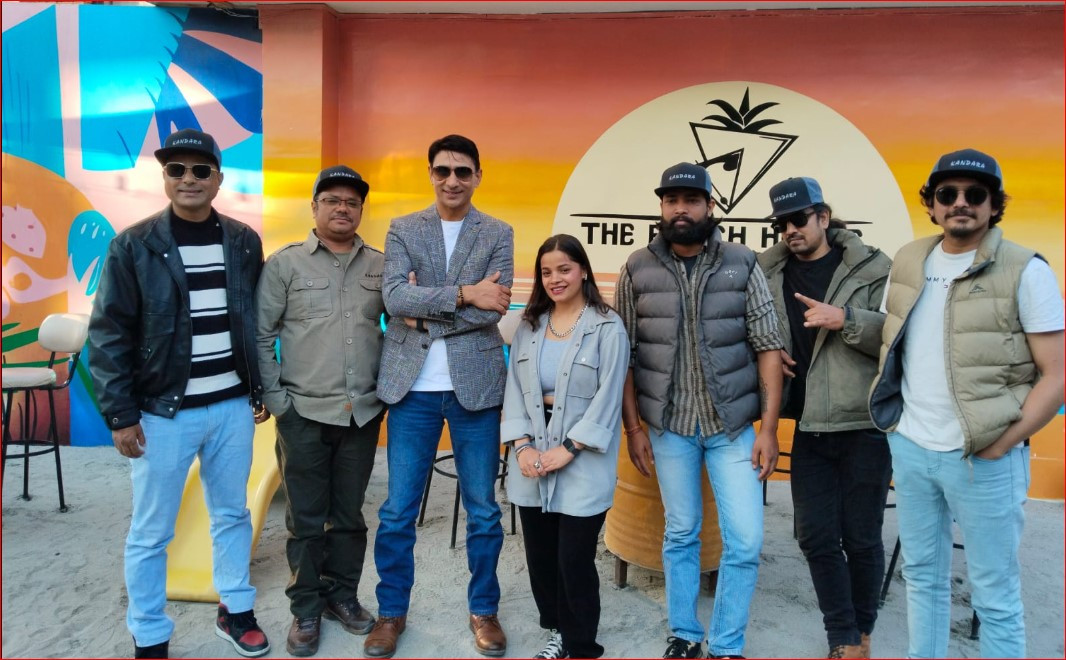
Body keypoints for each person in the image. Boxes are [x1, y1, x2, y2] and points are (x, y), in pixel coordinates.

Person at [869, 148, 1065, 658]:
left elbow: (1057, 376)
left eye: (975, 194)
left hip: (984, 458)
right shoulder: (909, 258)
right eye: (947, 193)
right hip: (912, 447)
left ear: (994, 205)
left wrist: (1003, 444)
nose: (960, 202)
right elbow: (897, 339)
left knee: (994, 595)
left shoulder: (1026, 270)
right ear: (932, 204)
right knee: (922, 578)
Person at [88, 128, 270, 659]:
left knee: (232, 514)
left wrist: (257, 387)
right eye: (176, 169)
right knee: (151, 531)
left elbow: (254, 320)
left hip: (232, 406)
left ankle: (235, 609)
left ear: (218, 177)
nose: (188, 178)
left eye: (200, 169)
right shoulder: (133, 245)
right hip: (162, 414)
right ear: (165, 177)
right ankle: (150, 633)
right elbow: (108, 334)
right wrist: (121, 415)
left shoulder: (243, 241)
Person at [616, 162, 784, 659]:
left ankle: (726, 644)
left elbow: (768, 345)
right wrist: (633, 428)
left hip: (731, 428)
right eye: (671, 200)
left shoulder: (742, 262)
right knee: (682, 531)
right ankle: (685, 634)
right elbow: (623, 353)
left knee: (746, 540)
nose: (680, 209)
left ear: (710, 206)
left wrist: (768, 429)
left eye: (691, 200)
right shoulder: (637, 267)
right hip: (669, 428)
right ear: (661, 207)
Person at [366, 134, 514, 659]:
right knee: (397, 511)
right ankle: (390, 612)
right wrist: (466, 293)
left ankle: (484, 610)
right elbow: (393, 297)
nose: (452, 180)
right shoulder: (404, 228)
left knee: (484, 511)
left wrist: (422, 312)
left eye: (463, 171)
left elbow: (496, 306)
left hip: (476, 389)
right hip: (413, 391)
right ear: (430, 174)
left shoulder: (498, 232)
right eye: (443, 170)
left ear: (478, 176)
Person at [757, 177, 892, 659]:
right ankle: (844, 635)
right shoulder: (767, 271)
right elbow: (749, 328)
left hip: (862, 422)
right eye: (782, 223)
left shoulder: (873, 266)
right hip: (809, 421)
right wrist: (768, 352)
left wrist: (847, 320)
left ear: (823, 216)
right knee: (814, 536)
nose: (790, 230)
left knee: (861, 537)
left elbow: (898, 337)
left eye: (799, 219)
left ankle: (858, 635)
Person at [255, 165, 385, 656]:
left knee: (349, 516)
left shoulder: (381, 265)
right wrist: (278, 403)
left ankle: (342, 596)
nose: (342, 209)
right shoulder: (285, 264)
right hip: (303, 413)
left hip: (361, 414)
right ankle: (306, 607)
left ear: (361, 210)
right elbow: (261, 336)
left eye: (351, 202)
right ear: (314, 207)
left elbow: (401, 328)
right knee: (306, 520)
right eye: (332, 200)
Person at [501, 234, 629, 659]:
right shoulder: (530, 326)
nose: (555, 279)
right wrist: (522, 446)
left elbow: (609, 396)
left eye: (564, 269)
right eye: (546, 272)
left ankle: (581, 645)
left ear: (583, 271)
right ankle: (557, 631)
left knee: (574, 557)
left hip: (582, 458)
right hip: (532, 453)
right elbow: (514, 390)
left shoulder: (607, 327)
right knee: (540, 555)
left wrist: (570, 448)